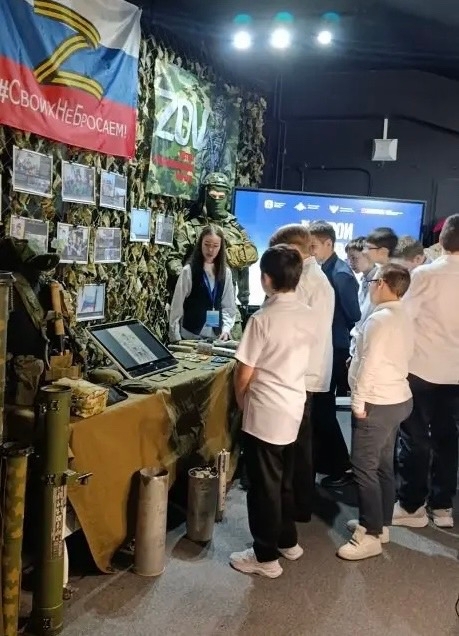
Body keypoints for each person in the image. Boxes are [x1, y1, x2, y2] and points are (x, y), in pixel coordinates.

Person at [229, 244, 316, 579]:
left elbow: (244, 371)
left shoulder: (262, 319)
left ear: (266, 278)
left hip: (265, 412)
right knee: (284, 482)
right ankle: (287, 540)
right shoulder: (307, 313)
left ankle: (265, 557)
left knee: (263, 487)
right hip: (294, 406)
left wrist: (241, 401)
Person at [338, 264, 413, 561]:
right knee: (382, 466)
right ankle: (380, 524)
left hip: (377, 401)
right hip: (397, 398)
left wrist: (358, 402)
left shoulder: (379, 320)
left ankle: (369, 535)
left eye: (370, 282)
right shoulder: (404, 314)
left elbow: (370, 364)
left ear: (381, 283)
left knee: (363, 468)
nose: (368, 287)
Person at [393, 214, 459, 530]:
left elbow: (403, 318)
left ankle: (411, 505)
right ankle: (443, 506)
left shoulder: (425, 274)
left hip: (420, 369)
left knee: (414, 439)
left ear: (442, 239)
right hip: (455, 375)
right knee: (448, 439)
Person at [269, 224, 334, 521]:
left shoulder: (307, 281)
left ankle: (297, 505)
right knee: (300, 441)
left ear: (295, 249)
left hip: (300, 372)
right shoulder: (313, 277)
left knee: (297, 444)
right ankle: (298, 503)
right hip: (306, 370)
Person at [309, 221, 361, 487]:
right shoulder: (326, 270)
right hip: (326, 346)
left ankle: (342, 466)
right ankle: (329, 462)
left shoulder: (340, 274)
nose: (310, 251)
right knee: (321, 408)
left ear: (329, 243)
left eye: (314, 246)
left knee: (324, 409)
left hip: (336, 349)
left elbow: (354, 314)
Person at [168, 225, 236, 342]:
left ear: (221, 247)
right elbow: (177, 306)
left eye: (215, 246)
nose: (210, 250)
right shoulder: (188, 271)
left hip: (215, 336)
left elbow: (228, 306)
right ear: (200, 244)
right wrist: (175, 337)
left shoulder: (226, 273)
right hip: (190, 336)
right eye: (207, 244)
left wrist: (226, 329)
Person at [345, 237, 379, 359]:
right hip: (358, 346)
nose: (350, 263)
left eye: (354, 258)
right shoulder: (363, 280)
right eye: (349, 259)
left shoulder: (380, 281)